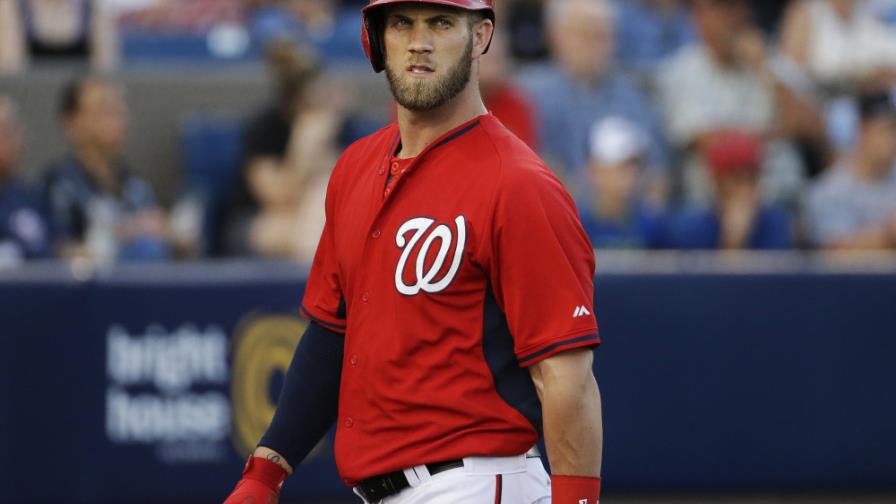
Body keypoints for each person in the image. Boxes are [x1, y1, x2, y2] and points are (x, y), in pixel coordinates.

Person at [224, 0, 603, 503]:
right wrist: (265, 472)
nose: (418, 42)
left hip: (476, 480)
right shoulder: (356, 167)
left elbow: (566, 376)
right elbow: (331, 335)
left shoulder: (518, 183)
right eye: (402, 22)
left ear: (481, 36)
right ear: (377, 38)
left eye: (440, 22)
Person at [657, 0, 825, 207]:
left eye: (737, 8)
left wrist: (765, 71)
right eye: (722, 11)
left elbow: (810, 127)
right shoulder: (681, 71)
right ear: (699, 18)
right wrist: (774, 135)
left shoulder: (768, 62)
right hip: (716, 207)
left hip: (785, 197)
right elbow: (709, 143)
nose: (732, 19)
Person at [516, 0, 669, 189]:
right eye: (584, 34)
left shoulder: (633, 93)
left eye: (603, 36)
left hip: (627, 205)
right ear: (554, 37)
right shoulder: (528, 94)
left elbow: (657, 173)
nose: (595, 45)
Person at [42, 76, 171, 263]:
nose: (118, 120)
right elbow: (57, 250)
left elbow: (159, 232)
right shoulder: (57, 186)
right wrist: (124, 233)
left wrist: (173, 236)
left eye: (120, 111)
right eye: (105, 110)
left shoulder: (136, 185)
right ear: (72, 123)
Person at [663, 130, 792, 250]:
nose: (745, 188)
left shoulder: (775, 223)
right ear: (717, 183)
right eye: (737, 178)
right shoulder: (692, 226)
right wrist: (733, 239)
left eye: (752, 177)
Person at [805, 88, 896, 249]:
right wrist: (887, 237)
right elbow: (834, 252)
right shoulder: (830, 190)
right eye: (887, 130)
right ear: (863, 131)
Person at [578, 116, 667, 249]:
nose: (630, 174)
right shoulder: (577, 225)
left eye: (634, 165)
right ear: (594, 170)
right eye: (621, 166)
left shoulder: (652, 225)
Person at [0, 96, 51, 265]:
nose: (18, 140)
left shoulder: (31, 194)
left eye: (17, 130)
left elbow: (58, 244)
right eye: (7, 132)